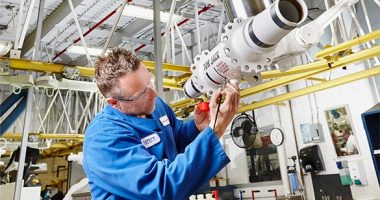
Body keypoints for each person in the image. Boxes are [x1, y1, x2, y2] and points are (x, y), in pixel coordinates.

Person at [82, 48, 240, 200]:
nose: (154, 94)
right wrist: (215, 130)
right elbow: (162, 189)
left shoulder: (156, 106)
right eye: (142, 93)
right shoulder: (103, 137)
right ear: (115, 103)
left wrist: (197, 127)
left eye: (150, 83)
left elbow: (174, 137)